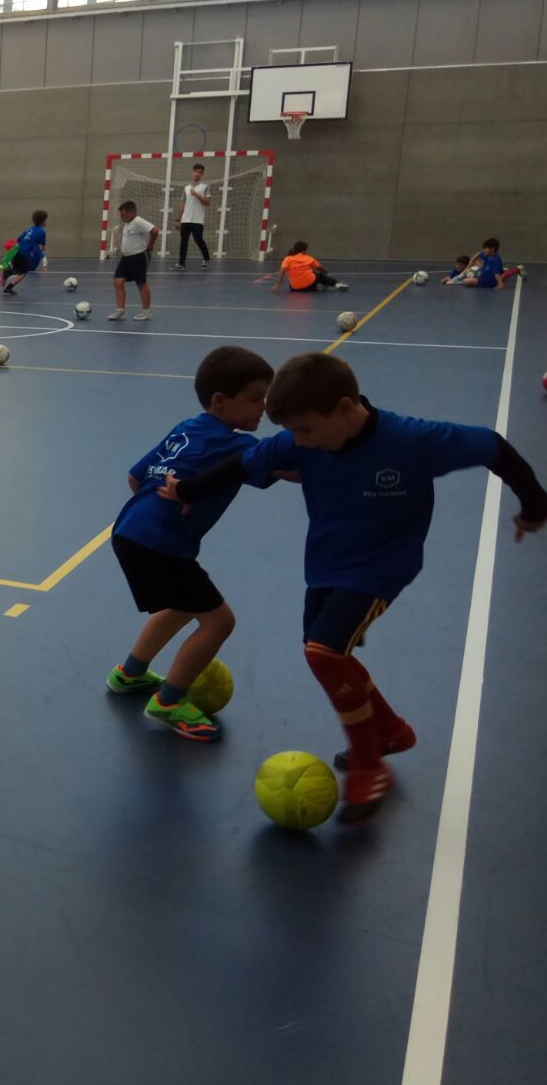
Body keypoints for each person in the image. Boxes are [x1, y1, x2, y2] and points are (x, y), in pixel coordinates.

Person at [161, 352, 547, 820]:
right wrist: (186, 491)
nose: (298, 441)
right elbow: (244, 463)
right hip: (326, 565)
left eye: (305, 428)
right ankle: (391, 731)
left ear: (345, 408)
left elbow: (493, 447)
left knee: (323, 652)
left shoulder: (412, 440)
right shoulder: (303, 443)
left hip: (383, 567)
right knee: (328, 654)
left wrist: (535, 505)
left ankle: (369, 765)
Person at [106, 346, 274, 741]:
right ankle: (168, 701)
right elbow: (288, 466)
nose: (262, 408)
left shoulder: (186, 428)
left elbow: (135, 477)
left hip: (130, 530)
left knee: (182, 606)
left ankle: (129, 674)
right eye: (255, 399)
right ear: (221, 401)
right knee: (219, 621)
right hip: (160, 544)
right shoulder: (237, 447)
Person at [108, 201, 157, 322]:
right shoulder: (128, 223)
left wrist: (150, 244)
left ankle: (146, 312)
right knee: (118, 281)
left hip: (138, 257)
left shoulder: (138, 221)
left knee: (141, 283)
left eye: (123, 215)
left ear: (131, 213)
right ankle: (121, 311)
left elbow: (155, 231)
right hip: (125, 258)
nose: (121, 217)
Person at [0, 210, 48, 296]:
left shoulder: (28, 229)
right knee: (23, 273)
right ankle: (8, 288)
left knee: (19, 269)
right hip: (23, 253)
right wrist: (36, 246)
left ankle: (7, 273)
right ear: (43, 221)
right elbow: (43, 248)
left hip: (16, 250)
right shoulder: (42, 232)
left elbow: (18, 240)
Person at [272, 240, 349, 294]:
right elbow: (320, 267)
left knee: (312, 273)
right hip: (309, 284)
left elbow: (282, 271)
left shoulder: (288, 259)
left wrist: (278, 284)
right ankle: (337, 284)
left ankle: (316, 287)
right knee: (320, 276)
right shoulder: (308, 258)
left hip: (295, 288)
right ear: (303, 250)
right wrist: (325, 271)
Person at [174, 164, 212, 270]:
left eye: (200, 172)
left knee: (198, 239)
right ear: (193, 172)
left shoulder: (205, 186)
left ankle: (206, 258)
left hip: (197, 220)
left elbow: (208, 202)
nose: (197, 174)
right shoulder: (186, 188)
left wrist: (197, 195)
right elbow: (182, 203)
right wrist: (178, 219)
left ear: (202, 174)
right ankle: (181, 263)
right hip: (186, 219)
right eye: (196, 171)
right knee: (183, 241)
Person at [451, 238, 525, 289]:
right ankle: (511, 270)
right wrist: (470, 262)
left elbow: (496, 274)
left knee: (465, 282)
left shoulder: (494, 259)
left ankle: (459, 280)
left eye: (485, 248)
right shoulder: (489, 255)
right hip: (485, 273)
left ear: (492, 249)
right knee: (475, 262)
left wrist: (500, 284)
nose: (484, 250)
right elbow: (479, 253)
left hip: (487, 281)